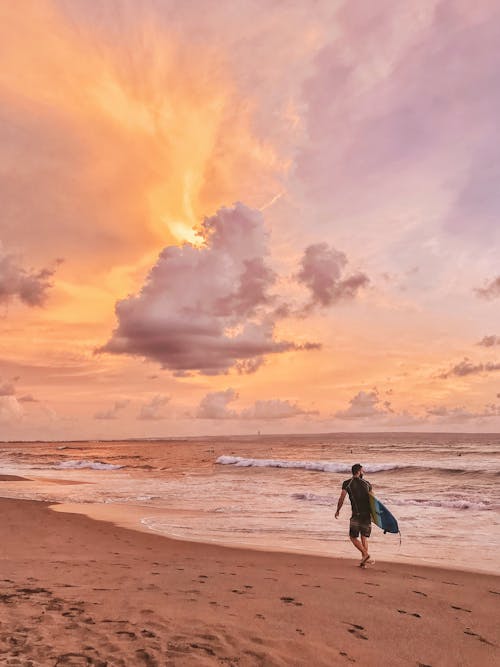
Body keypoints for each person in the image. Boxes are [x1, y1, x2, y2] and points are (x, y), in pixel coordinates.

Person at [335, 463, 374, 567]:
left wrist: (338, 510)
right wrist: (375, 516)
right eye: (362, 471)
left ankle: (365, 555)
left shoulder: (347, 483)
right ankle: (364, 561)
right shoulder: (367, 484)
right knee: (364, 537)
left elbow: (341, 498)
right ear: (358, 471)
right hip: (367, 515)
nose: (363, 472)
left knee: (353, 537)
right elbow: (373, 501)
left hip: (356, 514)